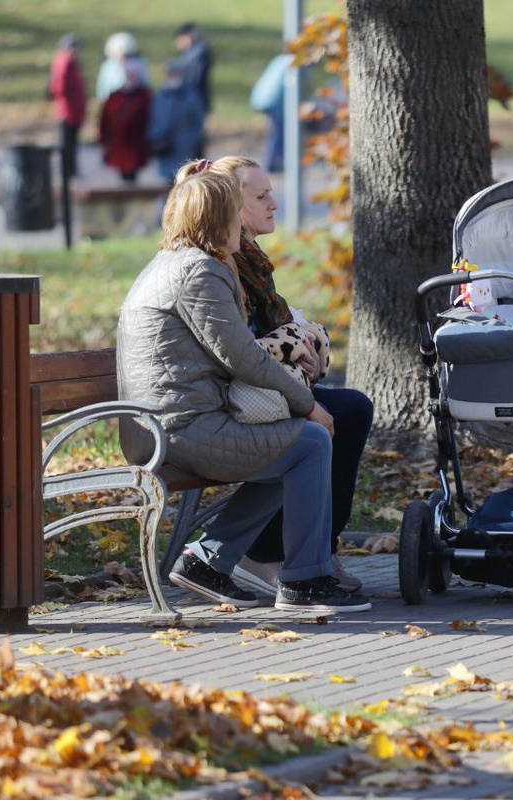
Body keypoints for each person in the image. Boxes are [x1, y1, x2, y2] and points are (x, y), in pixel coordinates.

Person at [116, 165, 371, 614]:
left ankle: (209, 560)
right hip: (180, 431)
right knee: (310, 440)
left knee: (293, 440)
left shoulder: (177, 262)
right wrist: (309, 405)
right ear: (218, 220)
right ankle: (303, 581)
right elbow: (244, 358)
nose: (242, 226)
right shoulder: (200, 273)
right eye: (236, 213)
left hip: (171, 422)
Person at [203, 156, 373, 596]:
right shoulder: (222, 265)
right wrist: (297, 370)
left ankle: (316, 548)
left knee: (351, 408)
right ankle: (272, 555)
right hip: (228, 406)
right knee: (318, 429)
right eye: (261, 196)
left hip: (255, 393)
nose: (274, 204)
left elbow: (276, 332)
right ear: (231, 207)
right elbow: (239, 352)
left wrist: (306, 351)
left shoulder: (252, 262)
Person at [147, 63, 206, 185]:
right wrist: (155, 138)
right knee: (168, 182)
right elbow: (154, 119)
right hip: (165, 147)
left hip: (185, 147)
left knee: (185, 181)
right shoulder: (161, 96)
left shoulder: (191, 96)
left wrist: (194, 140)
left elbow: (198, 121)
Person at [98, 63, 152, 184]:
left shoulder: (144, 96)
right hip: (119, 141)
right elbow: (105, 119)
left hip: (137, 141)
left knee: (133, 170)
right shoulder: (115, 96)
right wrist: (103, 139)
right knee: (123, 171)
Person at [49, 33, 87, 178]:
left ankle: (71, 170)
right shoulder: (65, 62)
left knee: (72, 143)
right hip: (67, 110)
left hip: (74, 109)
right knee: (67, 143)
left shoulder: (71, 62)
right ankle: (67, 172)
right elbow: (59, 87)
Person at [174, 22, 212, 157]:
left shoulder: (198, 53)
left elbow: (194, 77)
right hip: (194, 99)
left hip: (194, 100)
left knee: (195, 135)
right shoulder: (195, 52)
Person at [249, 54, 291, 173]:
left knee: (274, 131)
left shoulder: (281, 59)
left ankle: (271, 161)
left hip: (264, 97)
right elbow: (287, 90)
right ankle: (272, 162)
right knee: (278, 132)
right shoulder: (294, 63)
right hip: (275, 100)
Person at [96, 32, 148, 101]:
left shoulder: (138, 64)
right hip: (113, 102)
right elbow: (102, 88)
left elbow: (144, 84)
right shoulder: (108, 67)